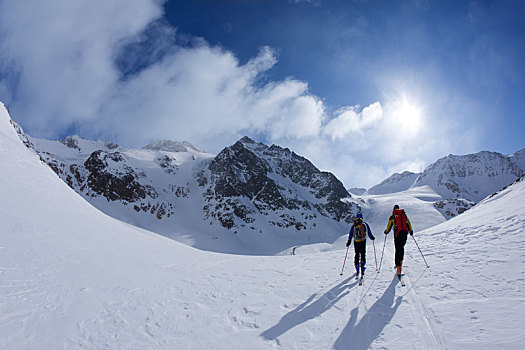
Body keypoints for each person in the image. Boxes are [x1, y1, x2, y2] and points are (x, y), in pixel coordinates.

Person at [384, 205, 414, 278]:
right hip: (405, 232)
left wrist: (386, 231)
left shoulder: (393, 216)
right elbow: (408, 223)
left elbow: (389, 226)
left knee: (397, 249)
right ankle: (401, 262)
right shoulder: (404, 215)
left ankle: (398, 267)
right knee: (402, 247)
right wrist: (411, 231)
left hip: (397, 234)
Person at [346, 213, 375, 278]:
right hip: (363, 241)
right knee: (363, 253)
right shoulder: (364, 224)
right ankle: (362, 265)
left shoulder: (354, 225)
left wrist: (349, 241)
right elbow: (369, 232)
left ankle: (357, 267)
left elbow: (351, 233)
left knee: (356, 254)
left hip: (356, 241)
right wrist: (371, 237)